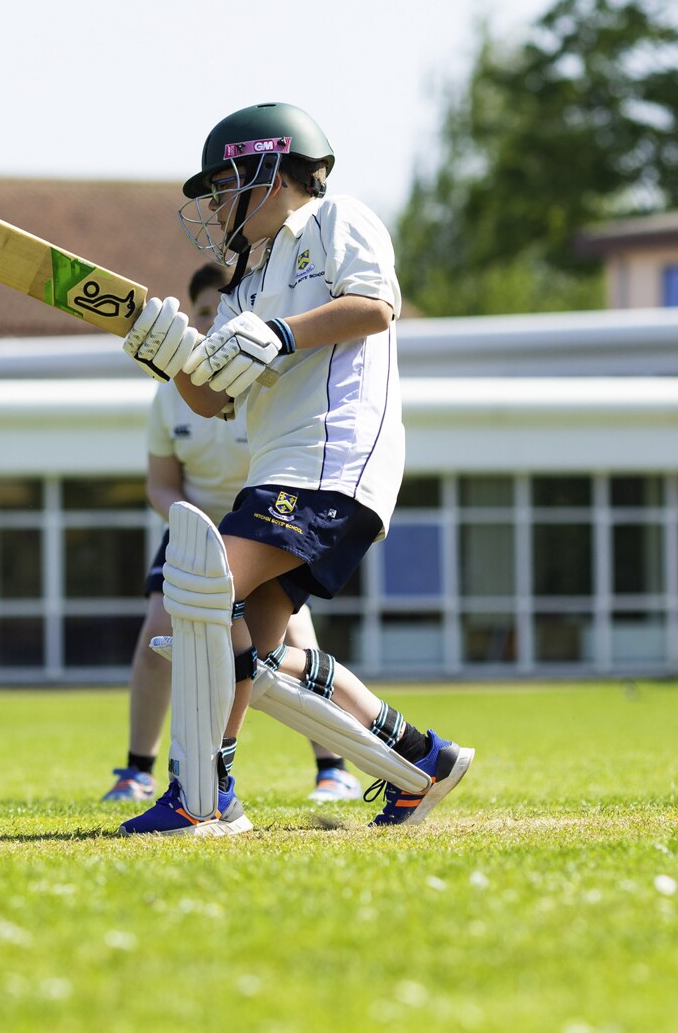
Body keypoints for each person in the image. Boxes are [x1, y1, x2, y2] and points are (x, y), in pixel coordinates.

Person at [115, 102, 474, 835]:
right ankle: (424, 761)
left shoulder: (337, 220)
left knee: (202, 592)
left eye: (223, 185)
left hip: (333, 456)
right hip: (279, 469)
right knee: (261, 650)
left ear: (267, 170)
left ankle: (202, 797)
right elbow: (212, 399)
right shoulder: (246, 280)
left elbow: (376, 307)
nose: (215, 205)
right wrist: (172, 359)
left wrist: (281, 334)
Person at [102, 261, 362, 806]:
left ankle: (333, 769)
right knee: (158, 634)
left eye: (222, 314)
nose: (211, 324)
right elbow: (160, 485)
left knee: (295, 639)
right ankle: (135, 771)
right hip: (194, 526)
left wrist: (246, 536)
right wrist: (193, 527)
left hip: (266, 523)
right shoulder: (170, 394)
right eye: (201, 313)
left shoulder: (271, 381)